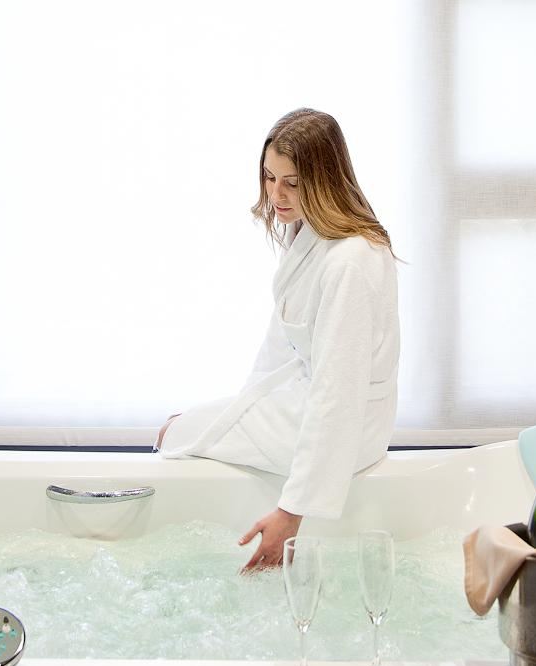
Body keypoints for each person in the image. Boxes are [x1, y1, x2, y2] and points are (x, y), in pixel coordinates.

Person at [157, 107, 400, 572]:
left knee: (172, 434)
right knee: (179, 425)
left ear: (324, 180)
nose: (276, 194)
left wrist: (291, 512)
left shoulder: (349, 262)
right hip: (310, 402)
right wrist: (242, 406)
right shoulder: (309, 232)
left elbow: (337, 394)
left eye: (292, 182)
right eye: (269, 177)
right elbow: (278, 347)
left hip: (347, 427)